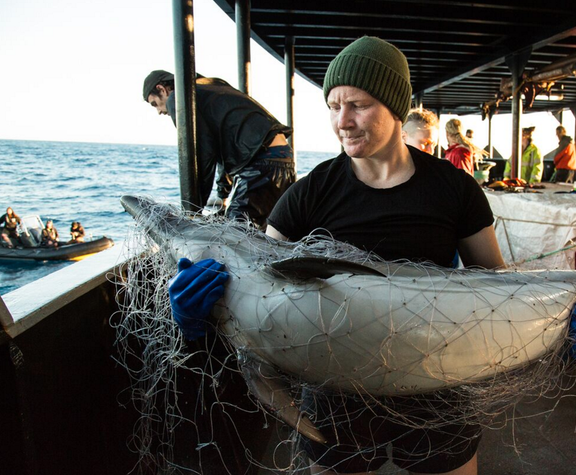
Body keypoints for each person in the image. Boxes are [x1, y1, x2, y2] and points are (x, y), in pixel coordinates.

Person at [169, 36, 505, 475]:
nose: (342, 121)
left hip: (437, 382)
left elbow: (496, 286)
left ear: (395, 108)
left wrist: (556, 321)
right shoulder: (310, 192)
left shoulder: (455, 189)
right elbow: (264, 280)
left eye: (358, 105)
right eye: (333, 106)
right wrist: (206, 312)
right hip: (334, 388)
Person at [143, 70, 296, 229]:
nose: (159, 111)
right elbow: (223, 150)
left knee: (237, 233)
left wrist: (193, 210)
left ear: (162, 89)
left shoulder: (179, 98)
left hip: (262, 161)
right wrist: (223, 195)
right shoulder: (211, 85)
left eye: (155, 104)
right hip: (281, 156)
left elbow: (203, 154)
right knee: (266, 230)